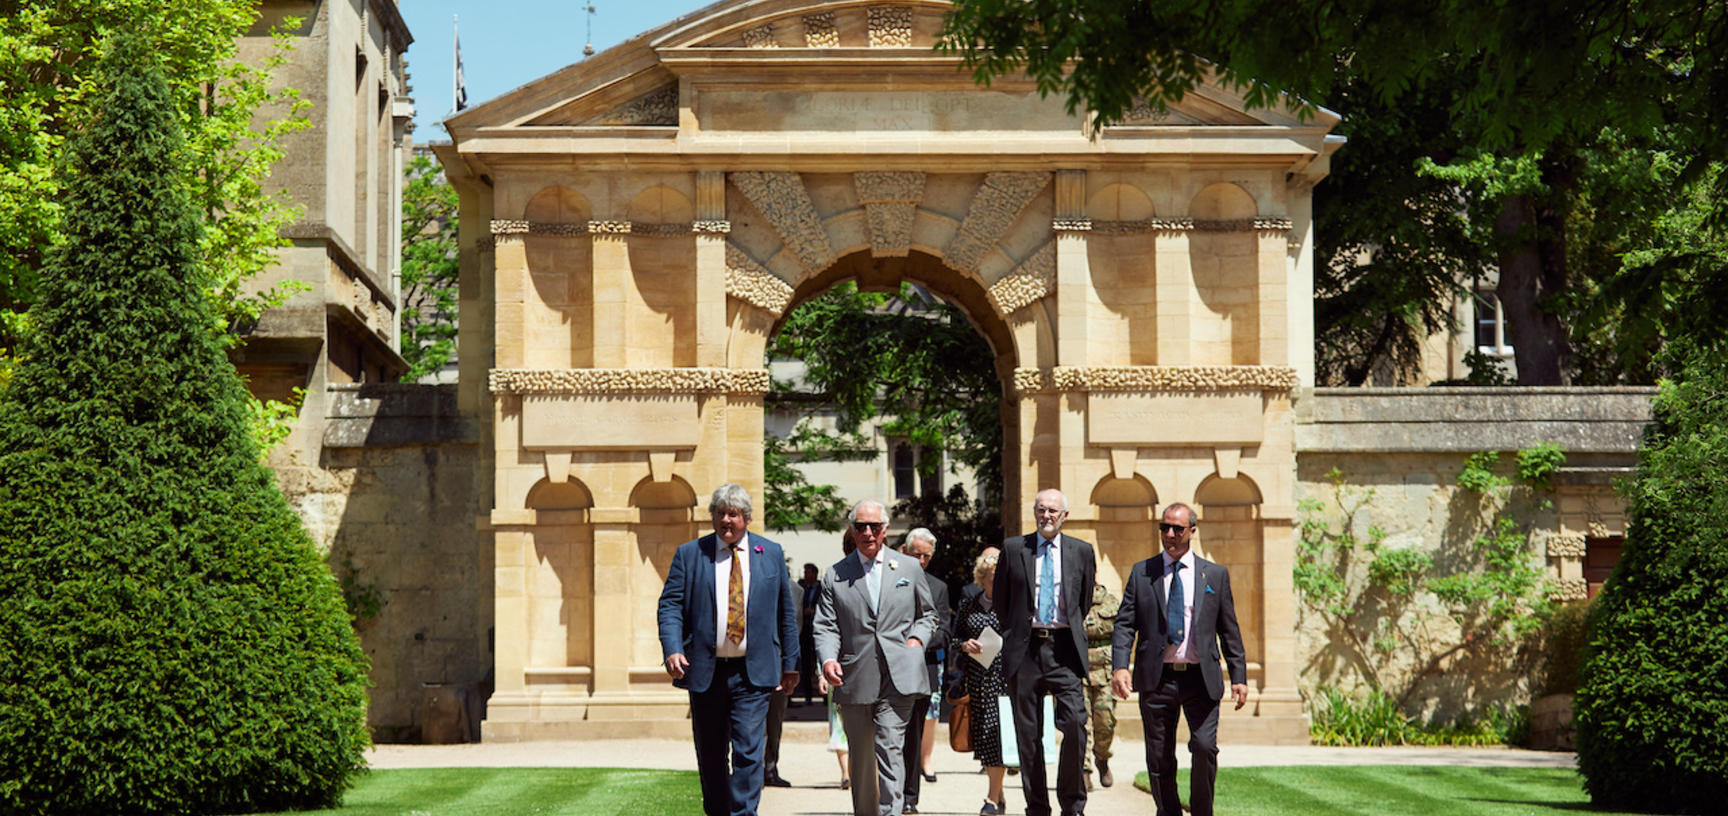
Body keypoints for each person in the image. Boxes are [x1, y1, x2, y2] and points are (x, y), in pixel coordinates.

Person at [657, 484, 800, 816]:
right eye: (720, 513)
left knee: (750, 752)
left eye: (733, 514)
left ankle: (743, 814)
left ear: (746, 518)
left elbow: (785, 613)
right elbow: (670, 606)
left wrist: (791, 664)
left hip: (754, 674)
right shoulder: (691, 554)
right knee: (710, 754)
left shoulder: (771, 553)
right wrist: (673, 648)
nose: (726, 520)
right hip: (706, 672)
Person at [1111, 503, 1248, 816]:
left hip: (1201, 679)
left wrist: (1239, 677)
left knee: (1203, 747)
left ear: (1192, 532)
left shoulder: (1215, 575)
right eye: (1164, 528)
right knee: (1159, 756)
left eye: (1177, 529)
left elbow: (1229, 630)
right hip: (1157, 679)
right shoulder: (1142, 572)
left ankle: (1202, 812)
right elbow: (1124, 624)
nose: (1169, 534)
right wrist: (1120, 666)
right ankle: (1168, 811)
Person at [813, 500, 939, 816]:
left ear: (885, 530)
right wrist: (828, 660)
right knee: (862, 755)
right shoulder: (835, 575)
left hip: (900, 675)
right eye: (860, 526)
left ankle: (891, 812)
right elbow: (826, 625)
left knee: (890, 747)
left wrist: (916, 639)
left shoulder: (908, 567)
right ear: (852, 530)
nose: (867, 533)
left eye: (874, 527)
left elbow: (928, 615)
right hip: (854, 676)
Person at [994, 488, 1096, 816]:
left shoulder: (1082, 551)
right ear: (1034, 513)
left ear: (1064, 516)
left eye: (1053, 510)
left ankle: (1072, 804)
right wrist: (1016, 634)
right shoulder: (1013, 548)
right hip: (1025, 651)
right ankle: (1037, 807)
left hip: (1064, 649)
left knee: (1076, 724)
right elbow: (1001, 600)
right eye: (1041, 509)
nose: (1046, 516)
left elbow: (1083, 600)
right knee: (1028, 736)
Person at [899, 528, 952, 814]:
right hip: (887, 668)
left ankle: (910, 797)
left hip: (923, 668)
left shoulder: (938, 587)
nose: (920, 560)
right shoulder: (887, 580)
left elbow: (944, 631)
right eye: (916, 554)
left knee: (913, 735)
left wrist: (916, 642)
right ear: (904, 551)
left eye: (926, 556)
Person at [955, 550, 1009, 816]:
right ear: (982, 578)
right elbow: (954, 638)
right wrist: (964, 645)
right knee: (985, 738)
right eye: (990, 578)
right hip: (977, 679)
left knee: (995, 734)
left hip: (1004, 679)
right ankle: (999, 796)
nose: (995, 583)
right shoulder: (969, 605)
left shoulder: (1012, 605)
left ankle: (991, 799)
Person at [1082, 582, 1121, 790]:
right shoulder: (1069, 598)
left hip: (1105, 671)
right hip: (1079, 670)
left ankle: (1102, 757)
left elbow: (1123, 634)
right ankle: (1084, 769)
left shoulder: (1111, 601)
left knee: (1105, 721)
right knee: (1081, 722)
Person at [799, 562, 823, 704]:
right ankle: (808, 696)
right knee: (806, 666)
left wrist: (814, 612)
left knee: (821, 662)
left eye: (808, 572)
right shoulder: (802, 589)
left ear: (814, 574)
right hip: (805, 632)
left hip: (817, 629)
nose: (806, 575)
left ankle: (825, 697)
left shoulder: (822, 589)